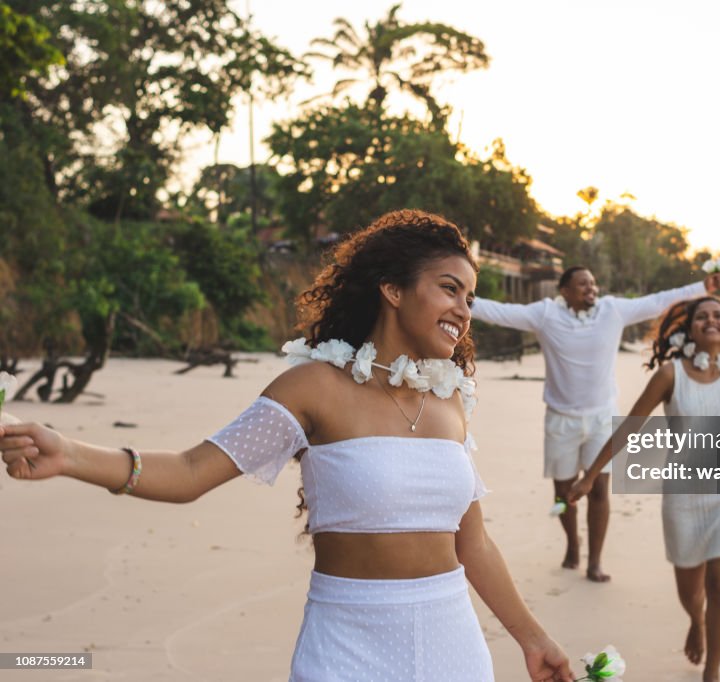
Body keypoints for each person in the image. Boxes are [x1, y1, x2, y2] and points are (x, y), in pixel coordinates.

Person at [1, 210, 575, 682]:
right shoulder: (313, 388)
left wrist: (533, 639)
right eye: (450, 289)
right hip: (347, 648)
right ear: (393, 289)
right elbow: (190, 470)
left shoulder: (449, 403)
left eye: (470, 298)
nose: (464, 311)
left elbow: (473, 543)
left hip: (455, 646)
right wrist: (69, 454)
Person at [569, 235, 720, 681]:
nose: (711, 319)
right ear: (689, 329)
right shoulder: (670, 375)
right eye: (703, 316)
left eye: (719, 315)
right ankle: (696, 621)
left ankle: (712, 671)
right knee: (689, 589)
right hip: (683, 497)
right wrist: (591, 475)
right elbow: (629, 427)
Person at [472, 265, 720, 581]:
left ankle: (595, 561)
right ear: (564, 291)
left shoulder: (612, 311)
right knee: (563, 492)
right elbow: (500, 312)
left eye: (593, 283)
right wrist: (461, 299)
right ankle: (572, 544)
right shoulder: (545, 314)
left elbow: (657, 301)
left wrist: (702, 287)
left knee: (599, 489)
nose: (591, 288)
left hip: (602, 418)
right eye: (583, 284)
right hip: (560, 419)